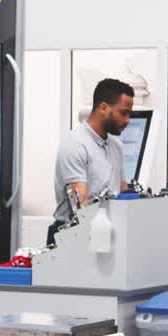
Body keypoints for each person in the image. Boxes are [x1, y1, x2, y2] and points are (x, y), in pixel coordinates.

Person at [48, 78, 136, 246]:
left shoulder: (116, 146)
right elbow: (81, 210)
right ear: (103, 108)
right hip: (71, 237)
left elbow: (123, 194)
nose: (127, 120)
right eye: (123, 113)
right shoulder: (75, 144)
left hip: (104, 233)